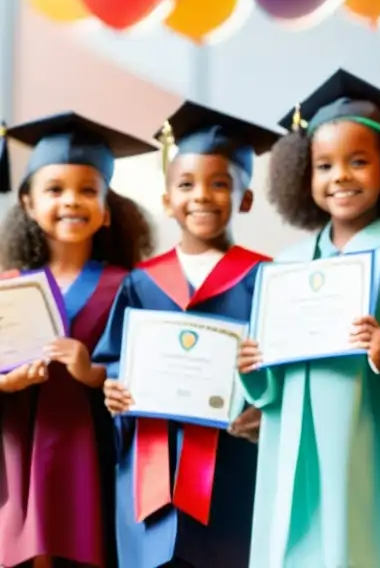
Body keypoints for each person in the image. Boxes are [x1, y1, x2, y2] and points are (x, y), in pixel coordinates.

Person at [236, 69, 380, 568]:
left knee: (371, 546)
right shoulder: (284, 265)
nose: (340, 177)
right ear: (304, 178)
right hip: (292, 436)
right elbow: (267, 385)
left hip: (370, 432)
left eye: (358, 162)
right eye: (324, 166)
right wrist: (252, 368)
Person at [94, 102, 280, 568]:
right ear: (166, 200)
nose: (202, 196)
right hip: (151, 467)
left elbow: (284, 370)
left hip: (234, 465)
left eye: (221, 183)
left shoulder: (267, 279)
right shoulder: (140, 282)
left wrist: (268, 410)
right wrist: (114, 390)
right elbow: (116, 362)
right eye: (186, 184)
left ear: (246, 198)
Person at [0, 112, 155, 568]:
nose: (72, 201)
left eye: (88, 190)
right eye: (55, 190)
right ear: (28, 204)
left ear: (108, 209)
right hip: (18, 448)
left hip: (90, 452)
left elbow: (142, 368)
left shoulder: (130, 285)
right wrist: (5, 384)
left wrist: (91, 372)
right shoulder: (9, 288)